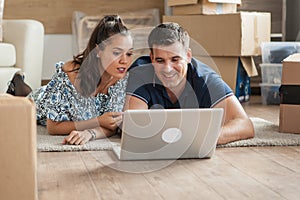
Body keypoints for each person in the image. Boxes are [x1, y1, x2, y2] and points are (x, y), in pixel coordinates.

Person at [7, 15, 134, 145]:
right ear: (98, 51)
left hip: (61, 103)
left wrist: (91, 133)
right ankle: (17, 82)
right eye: (117, 53)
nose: (124, 61)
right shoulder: (71, 73)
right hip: (42, 101)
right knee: (25, 102)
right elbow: (53, 127)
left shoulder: (123, 79)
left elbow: (112, 125)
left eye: (129, 53)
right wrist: (97, 121)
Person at [124, 22, 254, 145]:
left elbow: (244, 125)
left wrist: (203, 138)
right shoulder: (140, 74)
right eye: (160, 60)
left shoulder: (206, 79)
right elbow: (133, 126)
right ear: (151, 58)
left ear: (188, 56)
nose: (168, 69)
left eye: (175, 59)